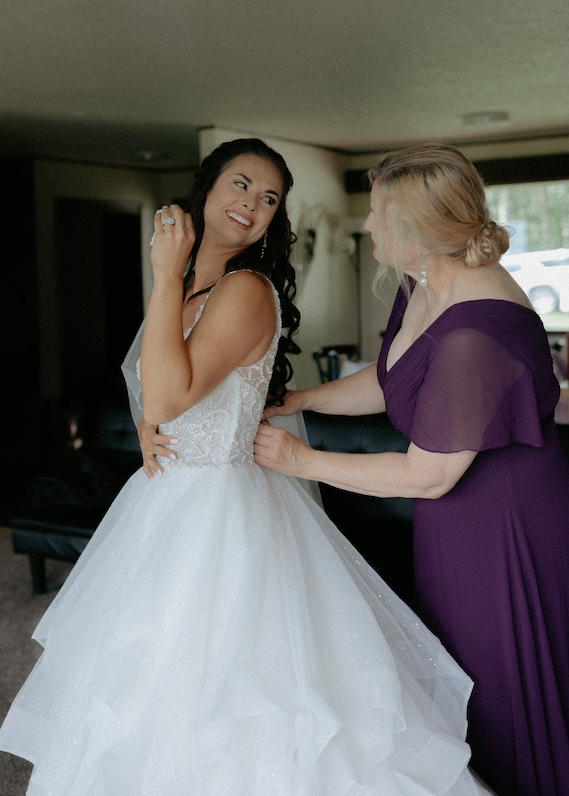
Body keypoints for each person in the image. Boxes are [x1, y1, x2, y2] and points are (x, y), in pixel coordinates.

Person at [0, 139, 488, 795]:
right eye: (239, 185)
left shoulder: (246, 291)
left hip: (221, 516)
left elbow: (173, 389)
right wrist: (150, 421)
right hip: (162, 503)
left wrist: (164, 278)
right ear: (205, 189)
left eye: (267, 199)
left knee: (236, 697)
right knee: (143, 686)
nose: (250, 205)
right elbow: (158, 389)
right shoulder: (195, 287)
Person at [254, 143, 569, 796]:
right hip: (455, 522)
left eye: (376, 213)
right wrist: (304, 399)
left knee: (500, 692)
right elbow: (393, 379)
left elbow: (427, 474)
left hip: (502, 531)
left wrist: (300, 458)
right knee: (453, 677)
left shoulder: (474, 334)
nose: (366, 226)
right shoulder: (423, 288)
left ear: (416, 227)